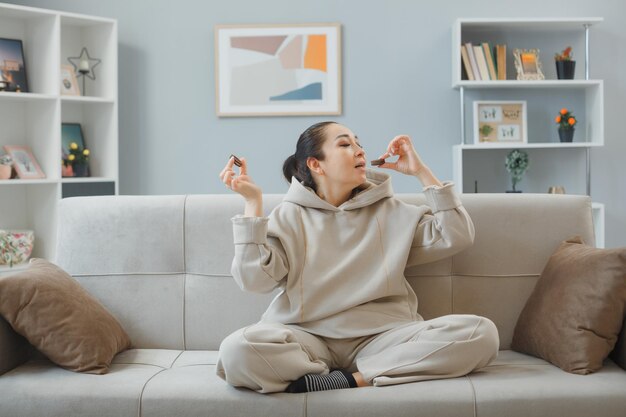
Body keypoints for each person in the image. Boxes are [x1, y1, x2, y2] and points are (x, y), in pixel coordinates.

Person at [216, 121, 499, 394]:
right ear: (316, 164)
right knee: (237, 350)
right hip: (309, 340)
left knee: (481, 334)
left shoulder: (391, 210)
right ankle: (343, 373)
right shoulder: (288, 216)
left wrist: (420, 171)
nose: (360, 149)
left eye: (359, 143)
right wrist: (252, 203)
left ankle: (352, 379)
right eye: (345, 144)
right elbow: (254, 281)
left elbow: (457, 234)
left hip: (384, 338)